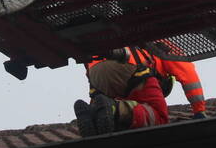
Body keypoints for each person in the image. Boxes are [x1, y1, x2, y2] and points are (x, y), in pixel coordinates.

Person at [73, 46, 207, 137]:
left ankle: (91, 115)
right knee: (159, 117)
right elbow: (188, 74)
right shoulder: (161, 45)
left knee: (107, 110)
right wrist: (199, 111)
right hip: (127, 65)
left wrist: (94, 111)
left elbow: (102, 101)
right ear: (164, 82)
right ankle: (116, 109)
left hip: (95, 72)